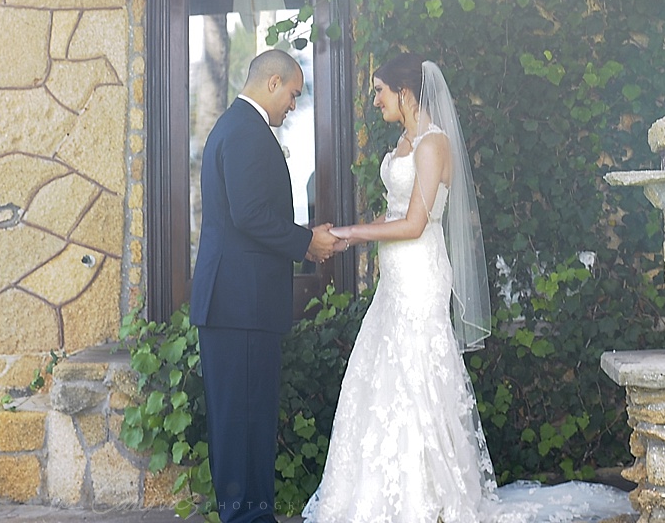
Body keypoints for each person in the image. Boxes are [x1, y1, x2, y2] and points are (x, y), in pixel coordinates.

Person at [302, 53, 631, 523]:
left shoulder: (433, 145)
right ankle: (379, 496)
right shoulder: (402, 141)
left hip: (420, 274)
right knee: (383, 374)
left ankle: (430, 498)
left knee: (418, 374)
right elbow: (395, 212)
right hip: (394, 280)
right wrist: (343, 235)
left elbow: (415, 223)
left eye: (379, 90)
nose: (374, 100)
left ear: (405, 93)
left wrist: (351, 236)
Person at [191, 49, 341, 523]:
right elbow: (250, 214)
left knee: (246, 422)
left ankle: (251, 515)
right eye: (294, 94)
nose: (294, 105)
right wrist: (307, 244)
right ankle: (246, 518)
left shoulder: (239, 128)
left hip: (239, 304)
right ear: (272, 83)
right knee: (241, 424)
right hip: (240, 306)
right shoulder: (245, 132)